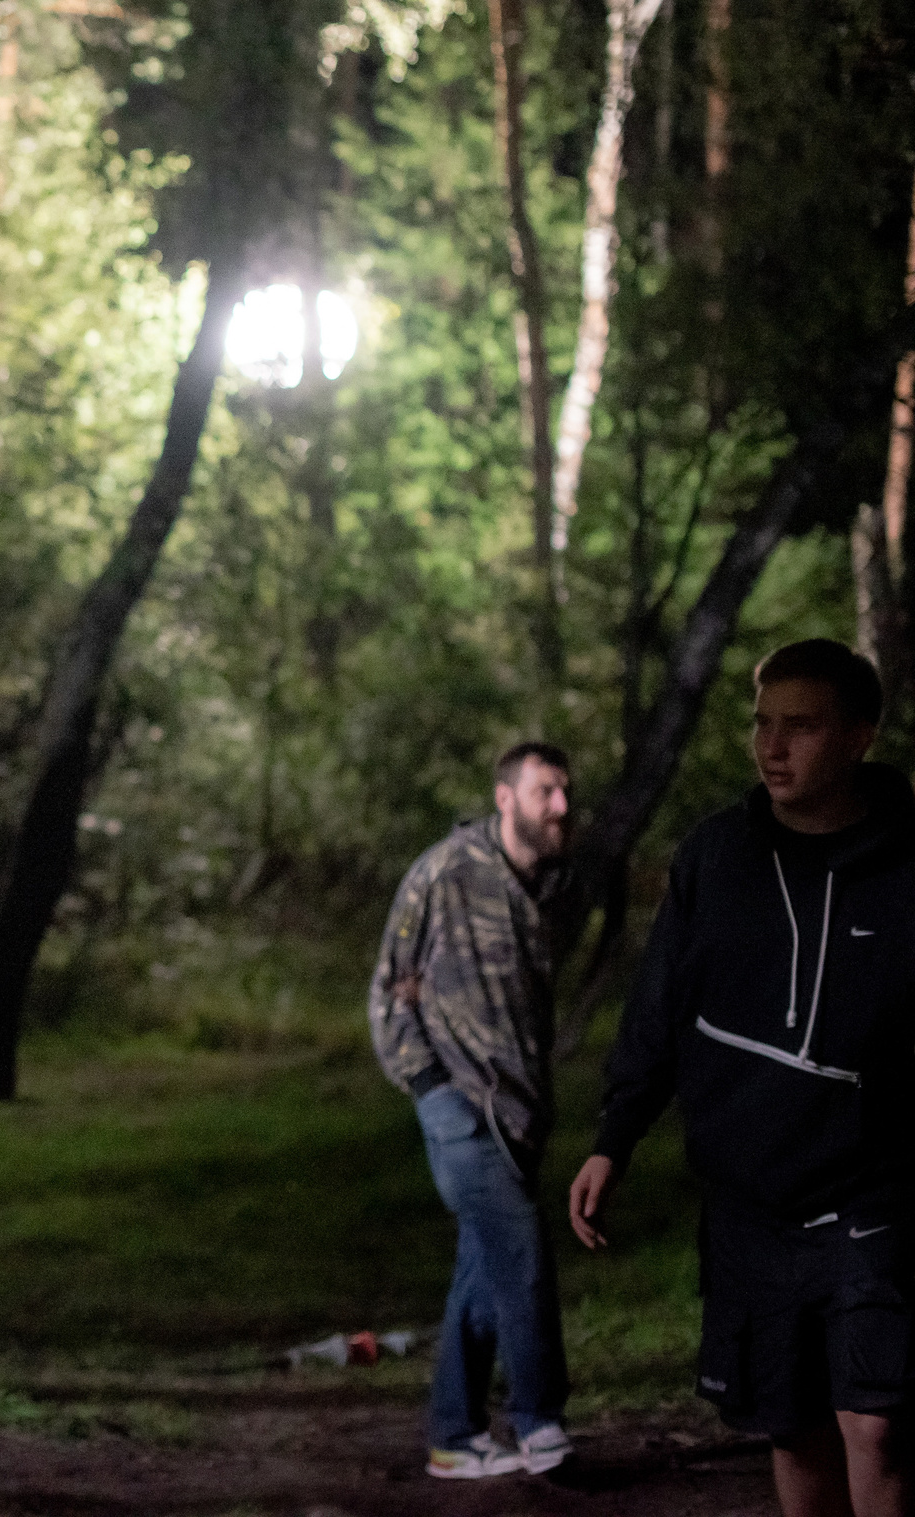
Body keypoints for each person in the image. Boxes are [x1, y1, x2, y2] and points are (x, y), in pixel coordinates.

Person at [571, 640, 915, 1517]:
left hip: (875, 1196)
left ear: (859, 737)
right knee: (791, 1424)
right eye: (763, 723)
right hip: (749, 1201)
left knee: (879, 1424)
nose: (773, 746)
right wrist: (616, 1137)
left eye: (801, 726)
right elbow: (658, 1007)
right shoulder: (716, 858)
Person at [367, 740, 574, 1480]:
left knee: (483, 1273)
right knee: (521, 1253)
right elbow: (389, 989)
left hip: (517, 1112)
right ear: (504, 797)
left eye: (565, 792)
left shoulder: (542, 885)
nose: (561, 806)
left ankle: (455, 1435)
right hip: (460, 1105)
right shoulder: (449, 870)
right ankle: (540, 1421)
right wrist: (429, 1085)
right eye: (546, 790)